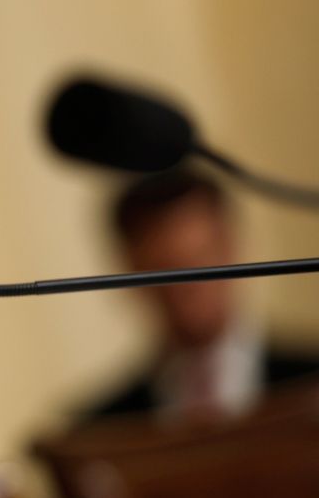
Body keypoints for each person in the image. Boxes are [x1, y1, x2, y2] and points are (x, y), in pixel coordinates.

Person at [80, 169, 319, 425]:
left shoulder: (311, 383)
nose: (187, 289)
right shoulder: (101, 431)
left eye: (200, 259)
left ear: (230, 247)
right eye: (164, 269)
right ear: (129, 270)